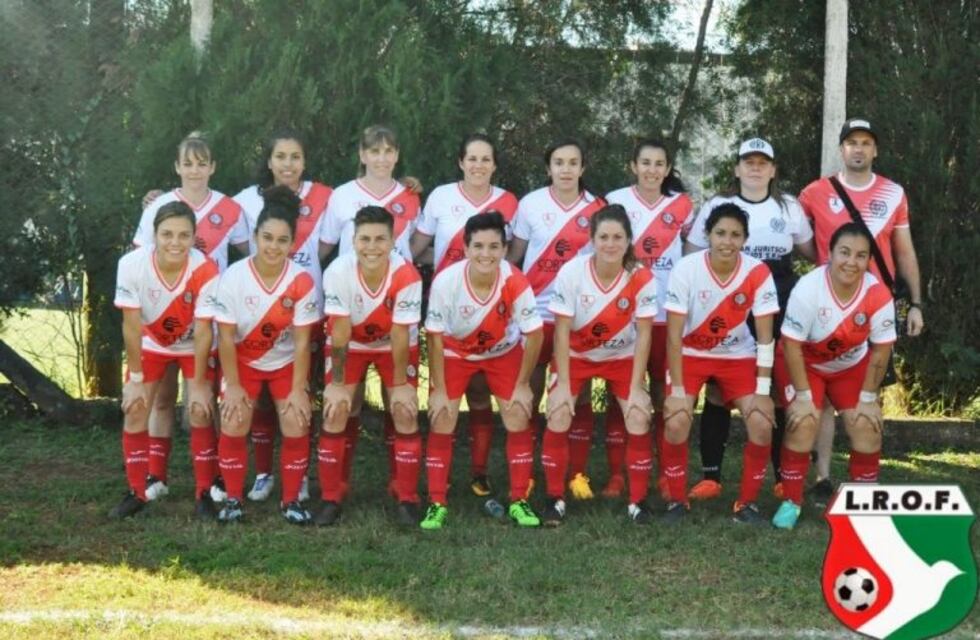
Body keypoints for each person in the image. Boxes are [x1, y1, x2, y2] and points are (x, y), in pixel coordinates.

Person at [683, 138, 816, 502]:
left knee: (773, 388)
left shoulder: (789, 207)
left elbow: (814, 253)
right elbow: (692, 253)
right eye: (748, 162)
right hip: (728, 300)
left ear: (773, 170)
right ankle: (712, 476)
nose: (755, 168)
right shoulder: (718, 205)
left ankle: (777, 473)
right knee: (717, 388)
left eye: (763, 162)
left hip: (778, 300)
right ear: (738, 168)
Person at [798, 118, 924, 501]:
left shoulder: (892, 193)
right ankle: (821, 478)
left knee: (870, 392)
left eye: (866, 142)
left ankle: (864, 478)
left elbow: (903, 251)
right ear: (841, 149)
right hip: (827, 309)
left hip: (876, 309)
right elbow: (803, 243)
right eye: (851, 142)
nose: (858, 149)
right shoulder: (815, 193)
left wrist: (916, 302)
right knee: (819, 398)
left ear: (876, 150)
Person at [132, 132, 249, 502]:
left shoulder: (230, 208)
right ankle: (155, 475)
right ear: (177, 166)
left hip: (208, 315)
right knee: (163, 398)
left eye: (202, 163)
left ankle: (211, 477)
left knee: (205, 398)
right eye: (188, 163)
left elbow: (247, 257)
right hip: (163, 317)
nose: (195, 170)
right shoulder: (158, 206)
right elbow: (141, 261)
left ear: (213, 167)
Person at [410, 133, 519, 498]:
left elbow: (512, 255)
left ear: (494, 164)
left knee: (479, 395)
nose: (478, 165)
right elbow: (417, 248)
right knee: (446, 398)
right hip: (450, 307)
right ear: (460, 162)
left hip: (492, 311)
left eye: (485, 159)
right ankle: (443, 480)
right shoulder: (441, 196)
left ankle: (479, 472)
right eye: (471, 158)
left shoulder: (508, 201)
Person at [319, 125, 422, 500]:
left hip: (396, 308)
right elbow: (325, 246)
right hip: (352, 306)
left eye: (389, 151)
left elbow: (420, 242)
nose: (381, 158)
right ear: (361, 155)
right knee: (341, 404)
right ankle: (335, 491)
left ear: (397, 155)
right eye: (373, 151)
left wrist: (403, 385)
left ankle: (404, 490)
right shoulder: (342, 196)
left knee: (403, 406)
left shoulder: (410, 195)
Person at [423, 212, 543, 530]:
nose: (485, 254)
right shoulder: (447, 281)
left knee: (517, 412)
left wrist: (522, 385)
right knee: (443, 414)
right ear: (465, 248)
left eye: (494, 246)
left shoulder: (514, 280)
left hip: (502, 353)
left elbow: (535, 334)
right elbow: (434, 337)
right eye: (478, 246)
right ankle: (437, 502)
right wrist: (437, 388)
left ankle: (519, 499)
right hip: (455, 351)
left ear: (504, 249)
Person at [771, 223, 896, 529]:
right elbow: (791, 345)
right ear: (829, 253)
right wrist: (802, 398)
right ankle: (792, 501)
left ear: (869, 260)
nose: (851, 262)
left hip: (849, 367)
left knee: (866, 424)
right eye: (844, 252)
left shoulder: (877, 294)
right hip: (803, 362)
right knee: (804, 421)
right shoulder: (809, 289)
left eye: (860, 255)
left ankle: (863, 502)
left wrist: (868, 399)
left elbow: (881, 350)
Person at [661, 203, 779, 524]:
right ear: (708, 235)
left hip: (738, 357)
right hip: (689, 354)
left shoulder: (757, 272)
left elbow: (766, 338)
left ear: (745, 239)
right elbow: (673, 337)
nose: (727, 241)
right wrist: (676, 390)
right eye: (720, 233)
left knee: (760, 422)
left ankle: (747, 504)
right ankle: (675, 500)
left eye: (736, 235)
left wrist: (764, 390)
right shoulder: (686, 268)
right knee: (676, 419)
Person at [232, 128, 333, 503]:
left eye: (295, 157)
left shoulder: (327, 197)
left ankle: (299, 475)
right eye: (280, 157)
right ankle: (262, 474)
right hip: (255, 316)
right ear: (269, 161)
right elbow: (200, 212)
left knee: (300, 397)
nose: (288, 164)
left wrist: (407, 187)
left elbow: (370, 214)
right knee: (259, 400)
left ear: (304, 161)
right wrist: (156, 199)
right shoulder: (245, 200)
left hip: (306, 310)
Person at [541, 204, 657, 526]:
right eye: (603, 236)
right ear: (592, 239)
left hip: (622, 358)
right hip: (576, 356)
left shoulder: (641, 276)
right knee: (560, 410)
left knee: (636, 414)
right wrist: (563, 385)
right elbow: (561, 331)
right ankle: (555, 499)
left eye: (617, 237)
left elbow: (645, 334)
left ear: (629, 240)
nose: (610, 243)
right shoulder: (572, 272)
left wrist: (636, 389)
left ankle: (638, 503)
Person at [211, 186, 321, 524]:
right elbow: (226, 339)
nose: (274, 246)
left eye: (282, 240)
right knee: (234, 417)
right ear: (256, 236)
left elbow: (303, 343)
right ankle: (232, 499)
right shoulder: (233, 277)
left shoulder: (301, 280)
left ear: (292, 243)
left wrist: (300, 390)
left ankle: (291, 501)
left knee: (295, 418)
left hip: (285, 362)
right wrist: (233, 386)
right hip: (242, 361)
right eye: (267, 238)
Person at [507, 138, 606, 501]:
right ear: (548, 168)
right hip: (534, 315)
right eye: (558, 162)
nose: (566, 169)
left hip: (578, 317)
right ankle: (527, 471)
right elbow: (514, 259)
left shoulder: (597, 208)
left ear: (582, 168)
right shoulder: (530, 204)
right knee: (528, 392)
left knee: (576, 397)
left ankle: (576, 474)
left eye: (573, 162)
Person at [111, 201, 221, 519]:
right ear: (154, 235)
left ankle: (203, 494)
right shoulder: (131, 264)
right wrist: (134, 379)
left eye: (183, 235)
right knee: (135, 408)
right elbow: (131, 325)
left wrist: (199, 384)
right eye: (167, 234)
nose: (175, 242)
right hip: (151, 343)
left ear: (193, 237)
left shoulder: (205, 269)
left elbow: (203, 332)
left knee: (199, 410)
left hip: (192, 346)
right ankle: (137, 492)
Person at [606, 138, 694, 499]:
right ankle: (617, 474)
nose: (652, 170)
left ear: (668, 168)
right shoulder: (616, 200)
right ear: (633, 165)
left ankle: (664, 470)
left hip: (666, 314)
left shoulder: (682, 205)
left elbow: (690, 257)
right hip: (623, 315)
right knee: (621, 394)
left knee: (663, 391)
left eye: (659, 164)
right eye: (645, 162)